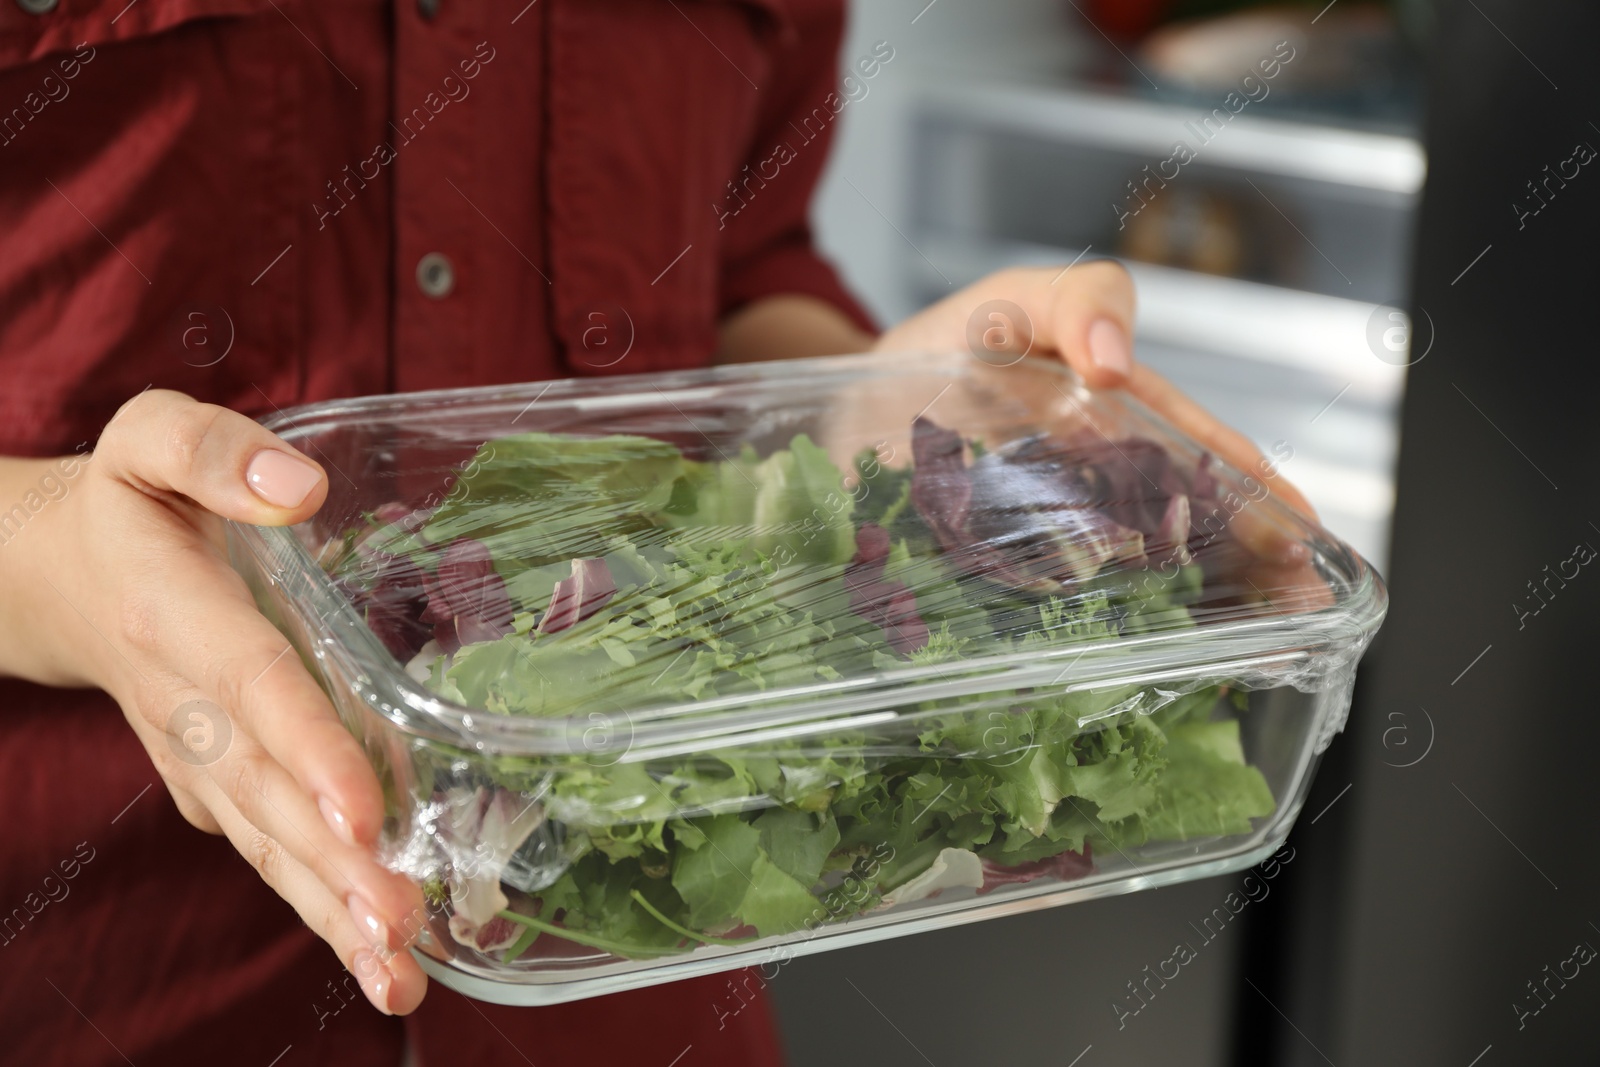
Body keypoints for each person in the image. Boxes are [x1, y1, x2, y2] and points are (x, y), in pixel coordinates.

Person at [0, 1, 1304, 1063]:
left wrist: (899, 412)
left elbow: (737, 283)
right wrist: (64, 565)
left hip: (644, 964)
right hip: (107, 977)